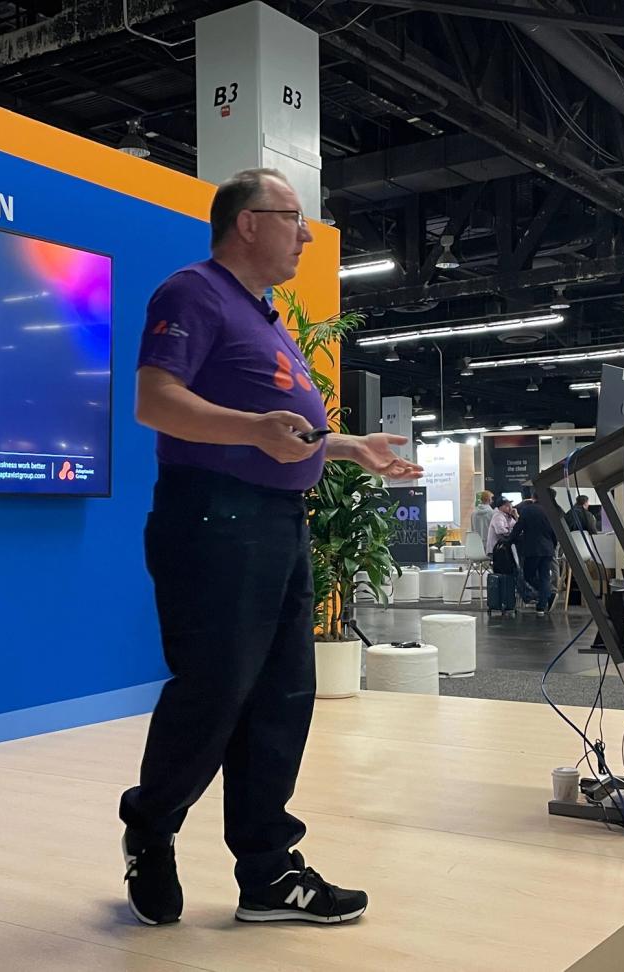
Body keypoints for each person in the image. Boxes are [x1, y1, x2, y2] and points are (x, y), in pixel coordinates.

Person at [122, 168, 423, 927]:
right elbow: (156, 401)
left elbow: (282, 427)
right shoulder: (191, 291)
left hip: (278, 523)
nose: (309, 233)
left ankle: (267, 873)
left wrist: (349, 447)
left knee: (283, 698)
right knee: (216, 690)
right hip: (214, 520)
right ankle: (150, 830)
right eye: (294, 217)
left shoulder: (265, 315)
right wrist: (254, 430)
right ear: (248, 223)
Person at [509, 484, 558, 616]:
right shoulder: (550, 510)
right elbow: (554, 532)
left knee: (529, 575)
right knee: (544, 577)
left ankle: (546, 595)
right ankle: (542, 606)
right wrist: (553, 545)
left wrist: (510, 540)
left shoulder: (528, 510)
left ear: (533, 497)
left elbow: (519, 527)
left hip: (532, 549)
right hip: (548, 549)